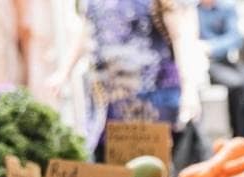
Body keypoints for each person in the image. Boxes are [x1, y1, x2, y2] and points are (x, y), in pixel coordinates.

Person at [49, 0, 208, 157]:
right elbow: (85, 32)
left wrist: (190, 89)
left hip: (153, 100)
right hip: (106, 102)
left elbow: (180, 36)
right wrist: (63, 73)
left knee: (153, 166)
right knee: (112, 166)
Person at [198, 0, 244, 137]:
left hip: (223, 59)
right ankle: (239, 136)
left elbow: (235, 38)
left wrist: (211, 47)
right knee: (237, 86)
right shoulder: (191, 9)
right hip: (205, 64)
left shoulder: (227, 7)